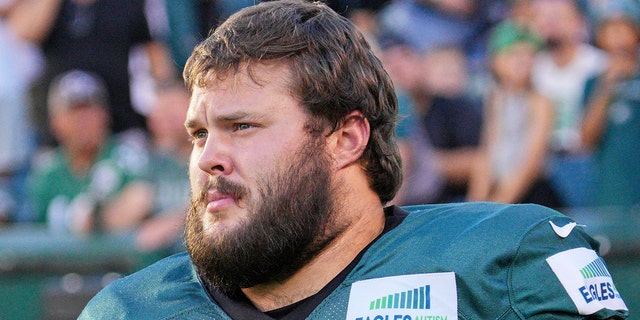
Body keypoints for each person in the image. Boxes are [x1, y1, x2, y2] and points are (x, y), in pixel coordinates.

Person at [79, 1, 629, 319]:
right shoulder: (131, 309)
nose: (209, 159)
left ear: (346, 139)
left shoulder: (503, 265)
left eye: (242, 126)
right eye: (199, 134)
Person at [26, 70, 150, 235]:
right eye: (74, 112)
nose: (83, 120)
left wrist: (96, 219)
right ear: (55, 122)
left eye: (90, 110)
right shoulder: (46, 171)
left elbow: (141, 199)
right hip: (59, 261)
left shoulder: (126, 157)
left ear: (105, 115)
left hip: (118, 261)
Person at [468, 21, 562, 208]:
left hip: (533, 196)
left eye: (529, 55)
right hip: (502, 191)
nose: (523, 61)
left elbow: (531, 164)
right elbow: (488, 153)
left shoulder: (540, 102)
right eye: (513, 54)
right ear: (495, 61)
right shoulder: (495, 99)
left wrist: (497, 208)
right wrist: (473, 207)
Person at [528, 0, 608, 207]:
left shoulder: (598, 64)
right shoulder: (534, 67)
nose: (549, 22)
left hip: (587, 160)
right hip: (544, 163)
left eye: (557, 15)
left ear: (579, 22)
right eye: (542, 16)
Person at [580, 8, 640, 209]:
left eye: (624, 28)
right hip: (612, 188)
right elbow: (586, 140)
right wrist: (606, 88)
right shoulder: (593, 83)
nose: (617, 37)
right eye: (610, 30)